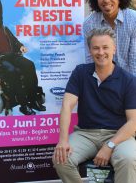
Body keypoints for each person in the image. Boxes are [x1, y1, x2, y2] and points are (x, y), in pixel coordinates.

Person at [53, 27, 136, 183]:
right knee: (61, 159)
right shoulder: (80, 72)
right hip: (86, 133)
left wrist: (109, 145)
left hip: (119, 135)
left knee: (129, 159)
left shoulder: (128, 80)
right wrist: (63, 140)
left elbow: (133, 122)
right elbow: (66, 106)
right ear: (90, 50)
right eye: (96, 48)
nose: (101, 52)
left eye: (105, 47)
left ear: (114, 49)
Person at [0, 6, 46, 116]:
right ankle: (23, 105)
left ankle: (32, 101)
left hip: (13, 56)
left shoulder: (4, 28)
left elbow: (15, 41)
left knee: (29, 65)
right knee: (13, 71)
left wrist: (21, 46)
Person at [83, 0, 136, 76]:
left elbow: (134, 58)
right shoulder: (89, 24)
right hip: (102, 81)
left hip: (128, 80)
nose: (106, 0)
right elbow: (90, 59)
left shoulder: (133, 20)